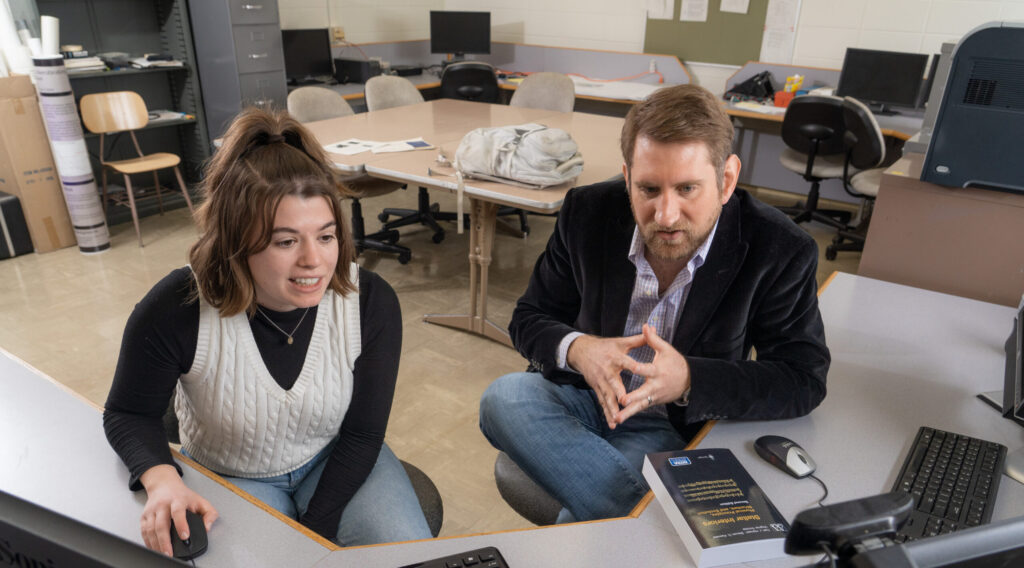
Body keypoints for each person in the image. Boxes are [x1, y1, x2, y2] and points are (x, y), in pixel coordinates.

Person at [479, 84, 830, 524]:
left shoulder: (779, 247)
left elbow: (802, 379)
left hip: (667, 426)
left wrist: (687, 379)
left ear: (726, 181)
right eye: (648, 189)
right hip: (584, 399)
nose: (665, 215)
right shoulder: (587, 211)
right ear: (627, 178)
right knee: (504, 397)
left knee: (578, 528)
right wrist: (579, 349)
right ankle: (669, 529)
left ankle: (630, 527)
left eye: (687, 188)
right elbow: (529, 318)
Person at [103, 108, 431, 556]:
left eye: (327, 236)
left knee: (409, 556)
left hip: (335, 459)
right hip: (229, 476)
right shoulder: (177, 306)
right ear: (237, 241)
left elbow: (362, 434)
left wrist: (312, 535)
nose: (314, 261)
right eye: (286, 241)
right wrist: (161, 480)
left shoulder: (369, 302)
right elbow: (127, 413)